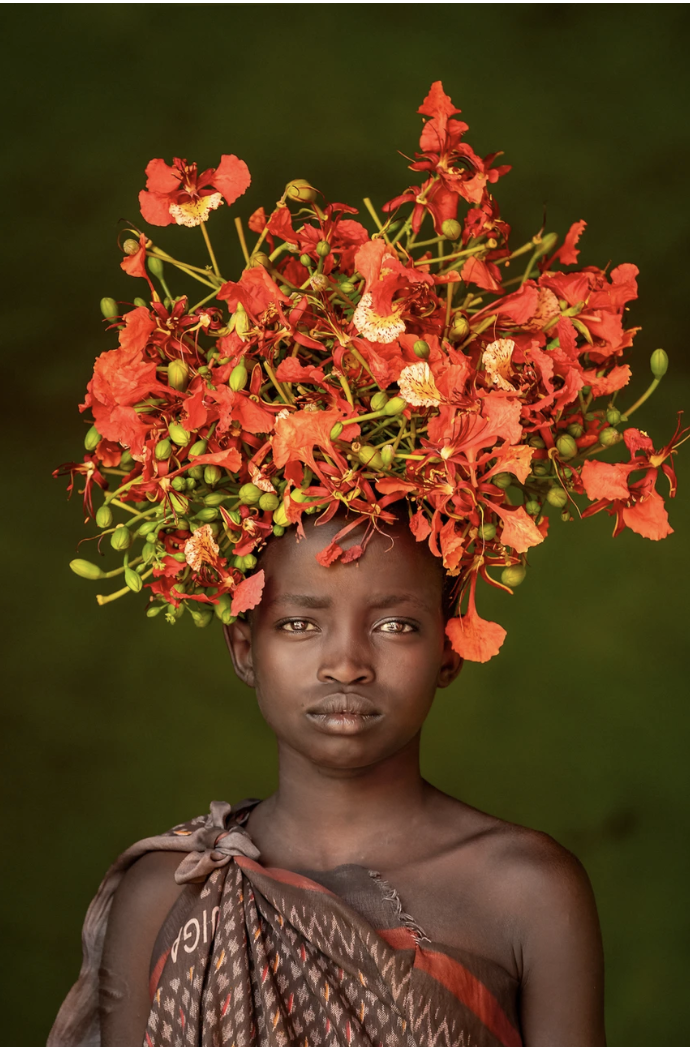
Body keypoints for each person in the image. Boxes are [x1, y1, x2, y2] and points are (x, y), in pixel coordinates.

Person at [49, 509, 605, 1047]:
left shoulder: (528, 890)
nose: (345, 663)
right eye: (299, 624)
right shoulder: (170, 890)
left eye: (395, 625)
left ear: (448, 651)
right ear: (245, 649)